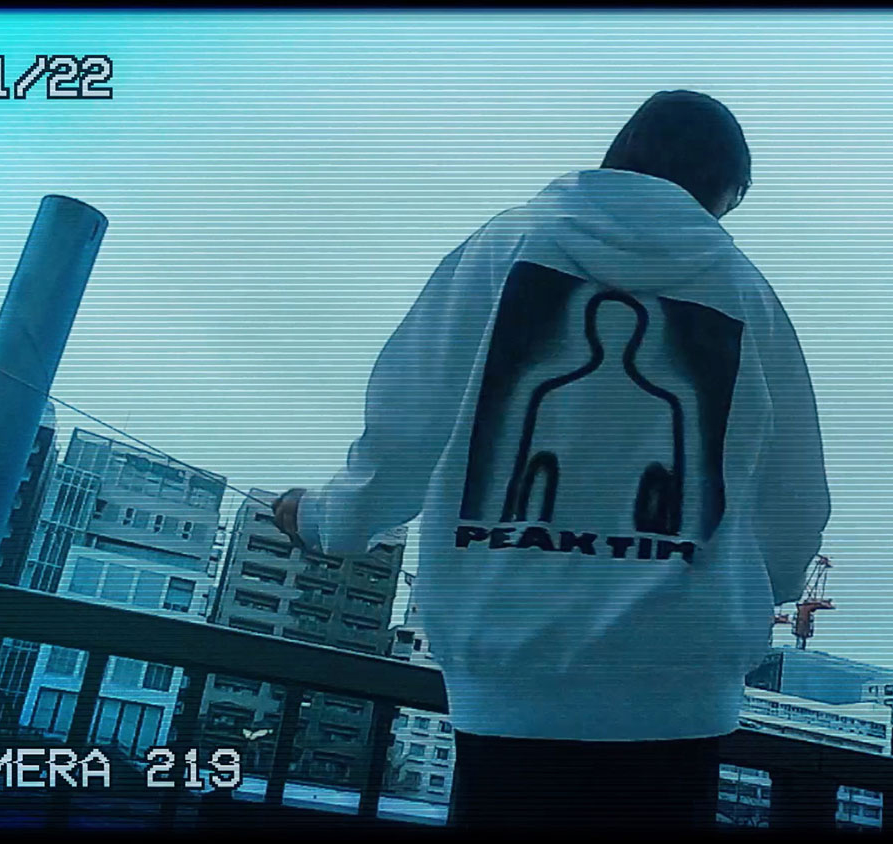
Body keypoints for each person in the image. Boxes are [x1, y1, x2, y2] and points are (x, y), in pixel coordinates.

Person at [273, 90, 830, 829]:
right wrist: (767, 589)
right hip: (680, 687)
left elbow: (409, 426)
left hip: (508, 673)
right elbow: (795, 494)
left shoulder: (504, 247)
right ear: (725, 189)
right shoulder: (745, 292)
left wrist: (325, 520)